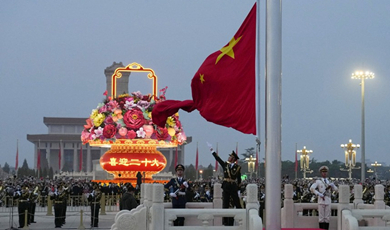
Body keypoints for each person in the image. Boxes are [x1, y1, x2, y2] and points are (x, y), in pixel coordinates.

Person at [211, 148, 242, 226]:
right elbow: (218, 159)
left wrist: (239, 189)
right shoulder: (225, 165)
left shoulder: (237, 167)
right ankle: (225, 221)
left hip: (233, 186)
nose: (229, 158)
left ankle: (241, 217)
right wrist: (213, 152)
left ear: (233, 159)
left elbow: (239, 179)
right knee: (225, 204)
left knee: (237, 203)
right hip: (226, 185)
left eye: (230, 157)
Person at [310, 166, 338, 230]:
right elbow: (312, 188)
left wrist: (333, 186)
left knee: (327, 218)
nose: (324, 173)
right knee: (321, 217)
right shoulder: (318, 181)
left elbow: (336, 190)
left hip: (328, 199)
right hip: (321, 200)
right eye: (323, 172)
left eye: (325, 172)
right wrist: (318, 194)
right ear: (321, 173)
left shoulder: (329, 181)